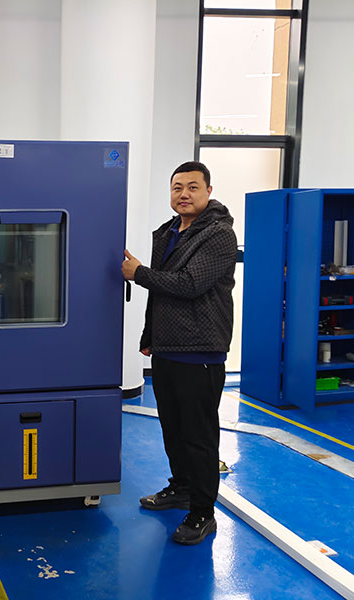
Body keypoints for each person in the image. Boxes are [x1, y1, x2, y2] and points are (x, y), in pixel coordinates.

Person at [121, 161, 236, 545]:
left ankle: (203, 512)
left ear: (208, 191)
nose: (183, 194)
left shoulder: (219, 235)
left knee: (199, 437)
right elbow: (162, 294)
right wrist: (150, 334)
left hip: (200, 350)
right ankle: (182, 487)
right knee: (173, 428)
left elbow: (189, 284)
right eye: (177, 188)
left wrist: (138, 273)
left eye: (192, 187)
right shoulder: (169, 232)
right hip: (169, 348)